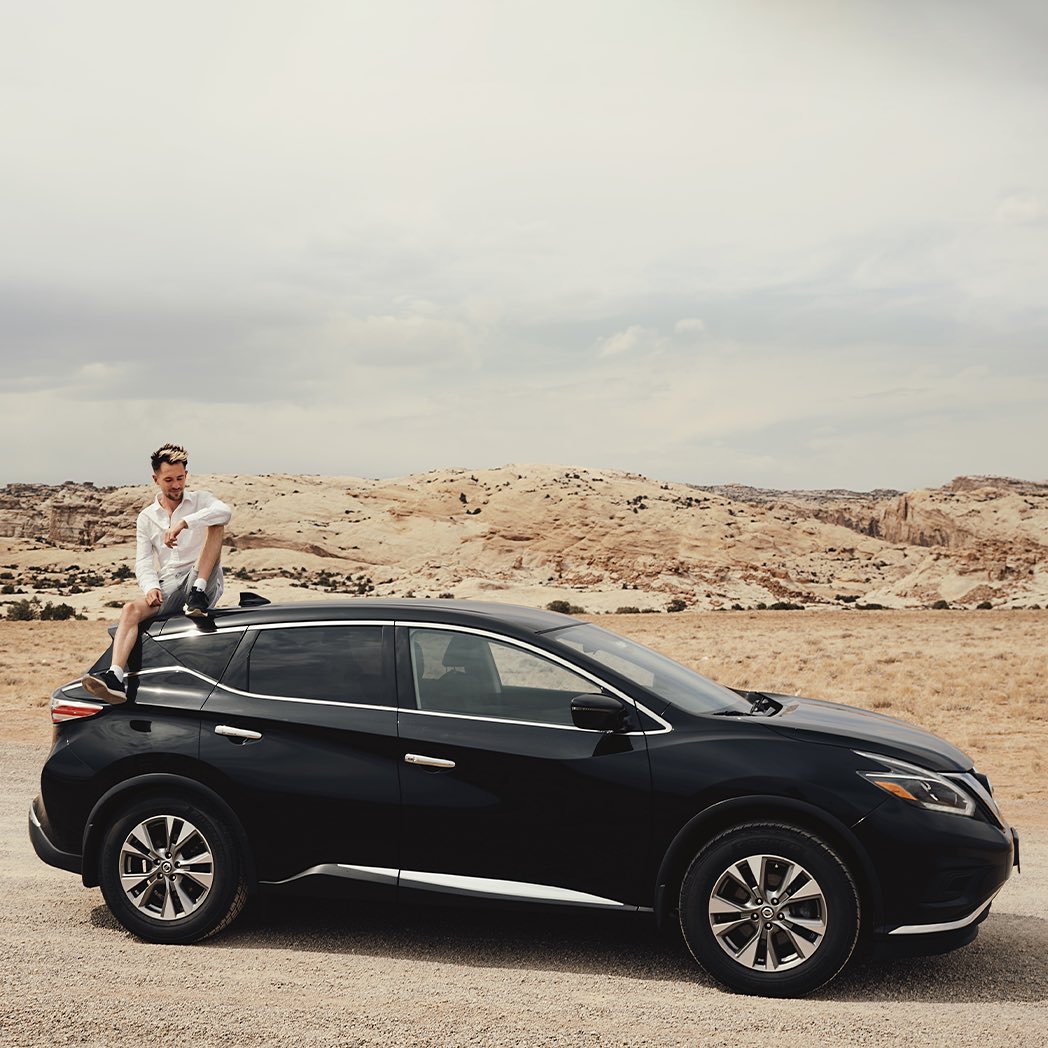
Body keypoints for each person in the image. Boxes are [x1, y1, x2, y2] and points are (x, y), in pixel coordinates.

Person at [81, 443, 232, 703]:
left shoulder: (201, 501)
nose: (176, 485)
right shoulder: (147, 517)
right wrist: (150, 587)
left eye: (180, 478)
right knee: (130, 610)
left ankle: (198, 595)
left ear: (186, 475)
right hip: (169, 583)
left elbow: (225, 513)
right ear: (156, 479)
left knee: (216, 523)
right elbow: (143, 561)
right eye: (169, 480)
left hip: (201, 577)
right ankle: (115, 677)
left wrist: (185, 522)